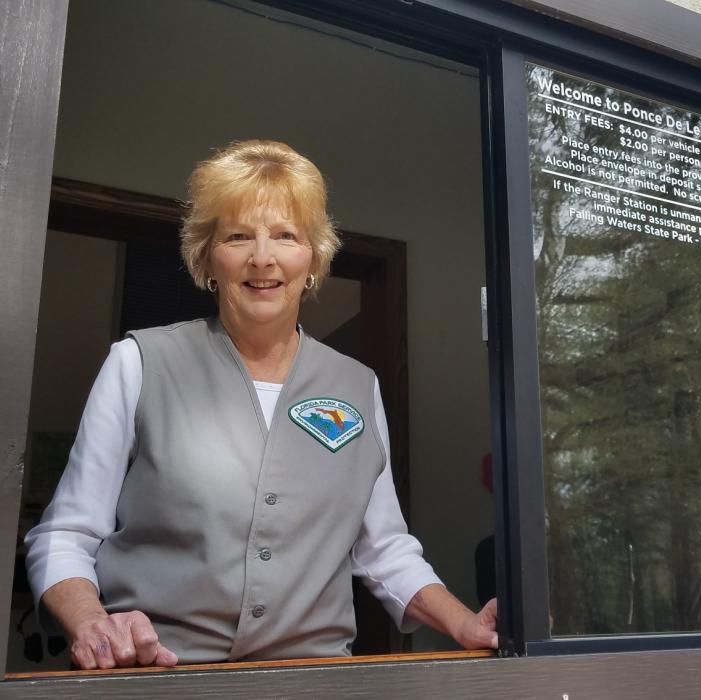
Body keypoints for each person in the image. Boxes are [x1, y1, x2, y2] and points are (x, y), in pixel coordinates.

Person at [24, 139, 497, 669]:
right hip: (158, 677)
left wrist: (464, 622)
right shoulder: (139, 363)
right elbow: (66, 534)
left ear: (313, 259)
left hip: (310, 681)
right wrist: (92, 623)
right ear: (207, 256)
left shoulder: (357, 386)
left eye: (286, 236)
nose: (262, 258)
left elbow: (383, 548)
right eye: (238, 236)